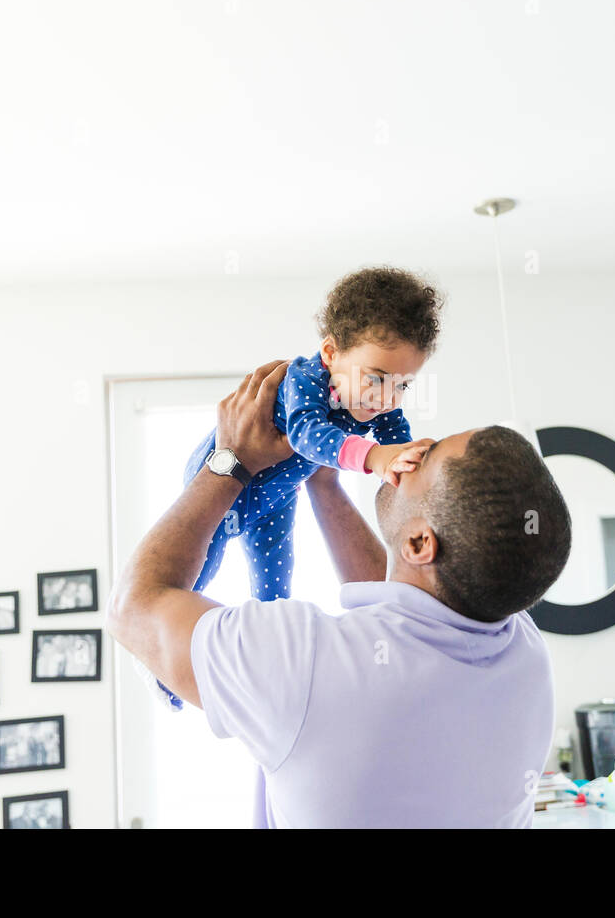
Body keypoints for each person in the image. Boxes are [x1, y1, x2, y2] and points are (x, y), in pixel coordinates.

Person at [108, 359, 573, 827]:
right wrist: (324, 480)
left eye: (426, 455)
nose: (413, 445)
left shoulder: (302, 662)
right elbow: (406, 599)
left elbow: (133, 608)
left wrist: (230, 462)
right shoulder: (524, 654)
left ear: (419, 542)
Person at [150, 266, 443, 711]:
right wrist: (375, 458)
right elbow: (307, 434)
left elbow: (399, 442)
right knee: (195, 577)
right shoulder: (304, 379)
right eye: (377, 377)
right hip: (227, 484)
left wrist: (420, 462)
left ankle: (268, 663)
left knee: (276, 581)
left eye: (403, 385)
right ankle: (165, 668)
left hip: (276, 498)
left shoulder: (375, 408)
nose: (387, 398)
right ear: (331, 353)